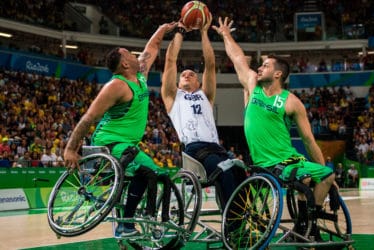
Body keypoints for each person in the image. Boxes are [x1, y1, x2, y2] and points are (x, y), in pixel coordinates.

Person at [213, 17, 336, 241]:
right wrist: (225, 35)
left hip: (289, 160)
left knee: (324, 175)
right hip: (266, 163)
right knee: (307, 179)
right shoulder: (253, 85)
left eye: (265, 66)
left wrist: (324, 174)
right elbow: (237, 57)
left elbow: (308, 140)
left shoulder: (291, 102)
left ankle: (307, 224)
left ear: (278, 74)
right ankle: (305, 226)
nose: (259, 68)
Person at [63, 21, 177, 238]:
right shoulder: (116, 86)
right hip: (108, 144)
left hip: (128, 145)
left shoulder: (140, 76)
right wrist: (70, 149)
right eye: (130, 54)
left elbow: (151, 49)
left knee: (160, 174)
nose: (136, 56)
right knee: (147, 171)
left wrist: (163, 29)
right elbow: (88, 117)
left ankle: (155, 218)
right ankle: (127, 223)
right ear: (125, 64)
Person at [161, 17, 245, 210]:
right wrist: (180, 32)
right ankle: (233, 223)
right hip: (195, 150)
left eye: (192, 74)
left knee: (239, 172)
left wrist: (204, 33)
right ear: (178, 82)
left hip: (216, 148)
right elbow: (170, 60)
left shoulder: (205, 95)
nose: (187, 75)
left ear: (198, 83)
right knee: (224, 171)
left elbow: (210, 65)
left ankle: (241, 216)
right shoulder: (173, 97)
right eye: (183, 74)